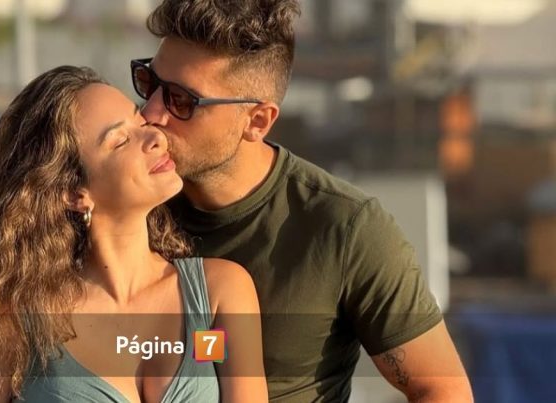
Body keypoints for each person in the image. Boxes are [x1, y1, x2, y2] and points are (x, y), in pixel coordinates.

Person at [133, 0, 474, 401]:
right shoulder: (123, 205)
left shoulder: (344, 228)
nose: (150, 112)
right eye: (148, 82)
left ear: (257, 121)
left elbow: (442, 389)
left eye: (180, 100)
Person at [0, 66, 267, 403]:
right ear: (74, 193)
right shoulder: (8, 322)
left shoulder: (219, 292)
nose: (155, 138)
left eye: (140, 122)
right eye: (121, 140)